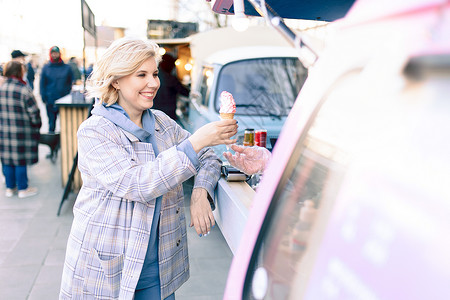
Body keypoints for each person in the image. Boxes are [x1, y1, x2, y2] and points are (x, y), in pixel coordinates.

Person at [60, 37, 238, 300]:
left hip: (160, 271)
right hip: (108, 269)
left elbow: (210, 157)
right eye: (141, 74)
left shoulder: (162, 123)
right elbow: (138, 184)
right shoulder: (95, 131)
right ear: (116, 80)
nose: (154, 83)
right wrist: (197, 141)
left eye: (154, 73)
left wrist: (201, 191)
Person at [0, 61, 42, 198]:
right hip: (21, 132)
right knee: (20, 160)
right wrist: (37, 125)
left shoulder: (1, 88)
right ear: (19, 71)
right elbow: (34, 113)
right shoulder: (24, 90)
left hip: (3, 131)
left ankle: (10, 188)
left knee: (6, 159)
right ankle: (23, 189)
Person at [39, 46, 73, 132]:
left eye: (56, 53)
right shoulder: (46, 68)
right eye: (52, 53)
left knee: (66, 124)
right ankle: (52, 143)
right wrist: (44, 97)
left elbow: (72, 82)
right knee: (51, 124)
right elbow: (42, 84)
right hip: (50, 100)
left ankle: (64, 143)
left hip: (64, 100)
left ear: (59, 54)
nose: (54, 55)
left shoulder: (67, 68)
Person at [152, 53, 190, 121]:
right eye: (172, 64)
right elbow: (185, 92)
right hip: (168, 117)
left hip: (152, 115)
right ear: (168, 64)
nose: (174, 67)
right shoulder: (170, 79)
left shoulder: (152, 76)